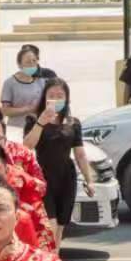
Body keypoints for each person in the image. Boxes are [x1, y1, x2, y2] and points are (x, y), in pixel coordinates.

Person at [24, 80, 99, 244]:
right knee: (49, 225)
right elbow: (27, 146)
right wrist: (41, 122)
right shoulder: (33, 120)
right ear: (44, 98)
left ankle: (54, 257)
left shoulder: (73, 123)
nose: (56, 99)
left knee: (60, 227)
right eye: (51, 95)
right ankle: (47, 255)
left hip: (66, 177)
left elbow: (80, 154)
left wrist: (89, 180)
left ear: (66, 99)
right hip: (43, 178)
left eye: (60, 96)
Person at [0, 45, 59, 129]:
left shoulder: (42, 82)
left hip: (38, 128)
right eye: (28, 62)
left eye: (34, 61)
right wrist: (28, 109)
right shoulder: (9, 83)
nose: (32, 64)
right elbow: (5, 111)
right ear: (19, 64)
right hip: (17, 128)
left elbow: (49, 104)